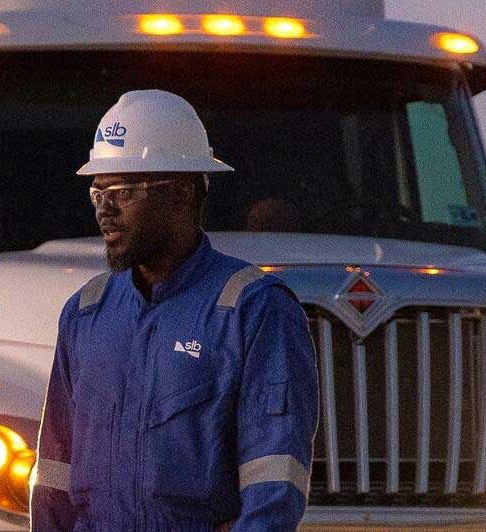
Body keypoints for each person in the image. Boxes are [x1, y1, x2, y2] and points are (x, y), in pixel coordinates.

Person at [29, 90, 320, 532]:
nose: (104, 210)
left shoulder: (251, 308)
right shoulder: (86, 312)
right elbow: (54, 470)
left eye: (123, 191)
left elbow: (274, 478)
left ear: (181, 194)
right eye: (97, 192)